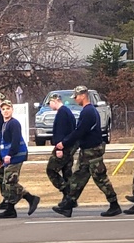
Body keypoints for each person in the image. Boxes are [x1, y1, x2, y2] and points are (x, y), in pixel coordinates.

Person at [52, 85, 121, 218]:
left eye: (76, 97)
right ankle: (68, 204)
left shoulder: (88, 112)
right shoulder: (88, 111)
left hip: (92, 151)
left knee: (100, 178)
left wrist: (64, 143)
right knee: (78, 177)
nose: (75, 99)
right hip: (86, 150)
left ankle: (114, 205)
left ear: (83, 95)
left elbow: (80, 131)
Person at [0, 99, 41, 218]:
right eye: (3, 109)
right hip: (7, 157)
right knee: (8, 182)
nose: (5, 111)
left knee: (10, 182)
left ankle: (30, 198)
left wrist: (10, 154)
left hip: (16, 156)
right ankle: (12, 208)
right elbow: (2, 142)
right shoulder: (4, 124)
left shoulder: (14, 123)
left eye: (8, 109)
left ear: (12, 110)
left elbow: (15, 141)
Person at [44, 93, 77, 200]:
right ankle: (68, 201)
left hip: (63, 147)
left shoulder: (62, 113)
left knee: (51, 170)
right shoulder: (67, 111)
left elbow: (60, 132)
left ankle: (67, 192)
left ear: (55, 101)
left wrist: (59, 148)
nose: (49, 105)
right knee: (67, 173)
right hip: (69, 147)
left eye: (50, 103)